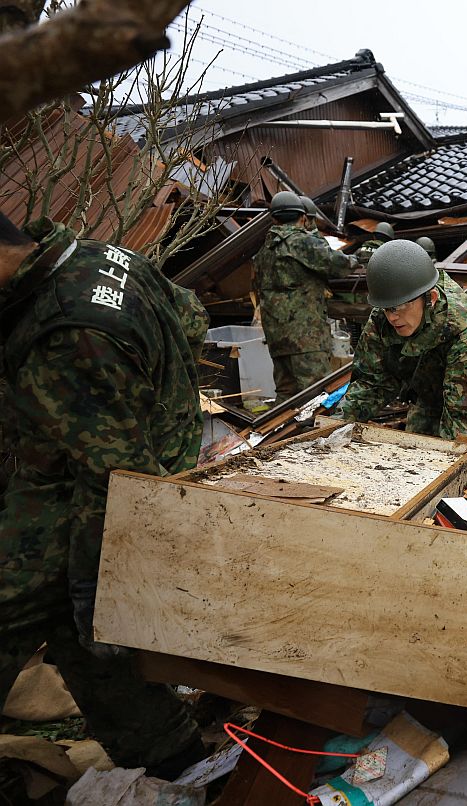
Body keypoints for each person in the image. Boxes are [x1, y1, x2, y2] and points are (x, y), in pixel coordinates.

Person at [0, 214, 207, 778]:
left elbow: (114, 478)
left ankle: (174, 760)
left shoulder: (66, 335)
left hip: (68, 510)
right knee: (87, 650)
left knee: (59, 621)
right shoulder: (104, 258)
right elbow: (191, 316)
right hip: (138, 470)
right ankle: (176, 764)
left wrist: (96, 588)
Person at [342, 240, 467, 447]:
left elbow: (462, 420)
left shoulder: (466, 331)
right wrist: (335, 425)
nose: (392, 317)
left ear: (430, 298)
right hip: (429, 397)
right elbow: (371, 383)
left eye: (398, 308)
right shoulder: (384, 316)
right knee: (411, 454)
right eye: (387, 308)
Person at [253, 190, 355, 398]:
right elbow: (339, 265)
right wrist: (357, 259)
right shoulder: (301, 242)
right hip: (306, 337)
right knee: (318, 395)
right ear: (302, 217)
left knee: (286, 394)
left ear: (274, 219)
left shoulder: (264, 251)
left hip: (277, 336)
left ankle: (281, 421)